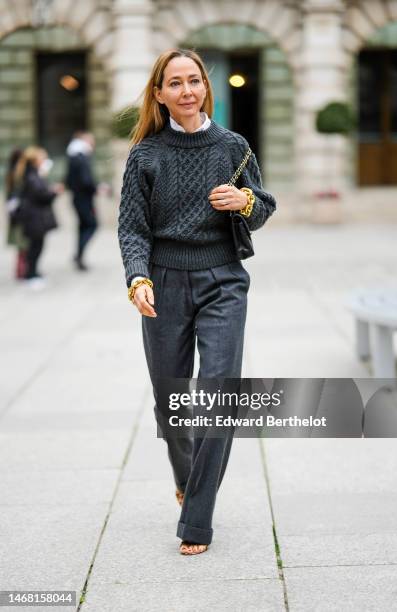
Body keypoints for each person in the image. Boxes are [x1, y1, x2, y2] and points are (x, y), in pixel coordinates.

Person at [117, 48, 276, 556]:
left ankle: (197, 519)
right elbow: (132, 228)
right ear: (160, 94)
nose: (187, 91)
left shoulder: (233, 146)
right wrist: (137, 278)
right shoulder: (145, 155)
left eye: (195, 80)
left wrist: (245, 202)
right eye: (176, 83)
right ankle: (186, 478)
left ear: (205, 86)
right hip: (163, 284)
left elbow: (263, 204)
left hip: (223, 280)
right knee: (173, 404)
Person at [14, 147, 62, 289]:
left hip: (36, 218)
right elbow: (41, 196)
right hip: (33, 218)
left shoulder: (34, 174)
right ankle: (31, 274)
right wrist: (54, 192)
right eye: (43, 158)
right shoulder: (31, 176)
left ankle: (34, 272)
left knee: (37, 246)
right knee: (34, 248)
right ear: (36, 161)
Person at [65, 131, 98, 271]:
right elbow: (86, 181)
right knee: (92, 225)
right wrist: (96, 188)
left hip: (78, 198)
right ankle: (79, 255)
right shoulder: (81, 157)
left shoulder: (74, 156)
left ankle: (78, 256)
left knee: (83, 226)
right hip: (83, 199)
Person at [4, 149, 27, 279]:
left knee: (21, 245)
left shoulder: (11, 173)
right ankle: (21, 270)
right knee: (22, 244)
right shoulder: (16, 174)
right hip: (19, 213)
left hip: (16, 213)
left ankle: (21, 270)